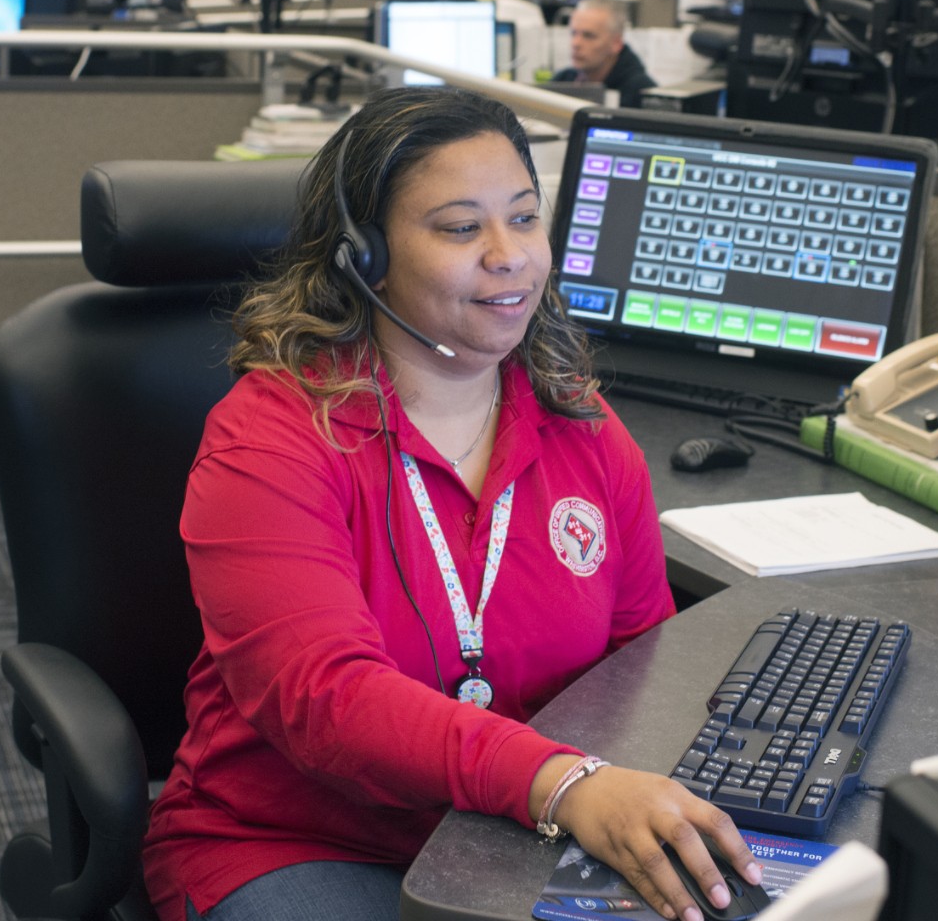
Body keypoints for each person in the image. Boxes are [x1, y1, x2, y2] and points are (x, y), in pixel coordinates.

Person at [143, 85, 762, 921]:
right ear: (365, 258)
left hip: (520, 829)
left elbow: (639, 661)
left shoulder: (580, 425)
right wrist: (565, 783)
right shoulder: (271, 440)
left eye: (525, 217)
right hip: (303, 842)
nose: (509, 256)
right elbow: (327, 700)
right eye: (461, 228)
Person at [552, 0, 657, 107]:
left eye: (589, 36)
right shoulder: (563, 80)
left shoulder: (643, 95)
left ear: (616, 43)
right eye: (574, 33)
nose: (576, 44)